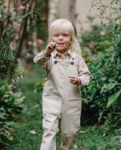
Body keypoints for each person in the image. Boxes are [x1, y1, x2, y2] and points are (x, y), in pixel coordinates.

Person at [33, 19, 91, 150]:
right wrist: (47, 52)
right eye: (56, 35)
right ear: (51, 38)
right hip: (52, 98)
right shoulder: (49, 57)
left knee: (70, 132)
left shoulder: (76, 58)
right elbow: (38, 61)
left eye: (65, 35)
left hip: (71, 100)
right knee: (49, 129)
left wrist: (79, 80)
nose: (60, 39)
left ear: (71, 39)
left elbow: (86, 75)